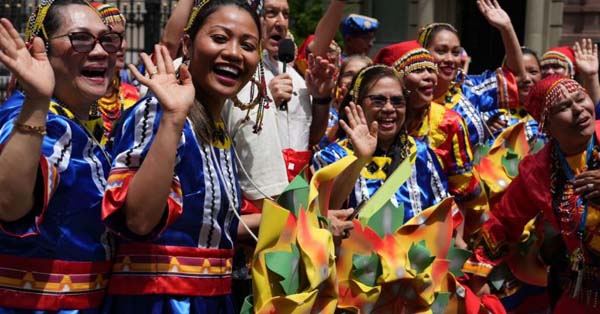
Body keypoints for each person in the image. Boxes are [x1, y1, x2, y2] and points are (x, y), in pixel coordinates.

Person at [101, 0, 261, 312]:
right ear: (187, 44)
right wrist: (173, 118)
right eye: (219, 38)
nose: (233, 53)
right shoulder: (159, 112)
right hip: (157, 302)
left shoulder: (217, 130)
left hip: (213, 302)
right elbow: (139, 220)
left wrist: (303, 224)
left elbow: (206, 229)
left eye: (248, 45)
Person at [0, 0, 120, 311]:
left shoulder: (81, 123)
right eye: (80, 38)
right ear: (42, 49)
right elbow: (8, 204)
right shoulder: (33, 117)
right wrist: (38, 100)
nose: (99, 51)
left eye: (107, 40)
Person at [465, 75, 600, 312]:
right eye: (564, 107)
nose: (579, 110)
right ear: (546, 124)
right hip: (589, 288)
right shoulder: (539, 171)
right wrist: (478, 275)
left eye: (580, 99)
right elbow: (504, 221)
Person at [222, 0, 333, 213]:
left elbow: (312, 138)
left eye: (285, 14)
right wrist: (266, 102)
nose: (280, 23)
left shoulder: (298, 80)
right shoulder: (238, 74)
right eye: (271, 13)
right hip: (253, 199)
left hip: (297, 194)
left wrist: (321, 99)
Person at [374, 40, 487, 241]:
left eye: (431, 69)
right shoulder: (376, 121)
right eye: (418, 70)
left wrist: (455, 241)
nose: (429, 77)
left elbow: (460, 191)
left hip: (435, 232)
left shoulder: (448, 123)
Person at [313, 65, 448, 222]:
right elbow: (322, 217)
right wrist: (360, 159)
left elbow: (442, 218)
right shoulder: (330, 157)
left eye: (398, 101)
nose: (389, 108)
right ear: (358, 103)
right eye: (378, 100)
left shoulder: (421, 154)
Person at [417, 0, 524, 150]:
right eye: (441, 51)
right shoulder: (407, 97)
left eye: (455, 52)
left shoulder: (469, 89)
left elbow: (516, 77)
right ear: (423, 52)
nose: (450, 59)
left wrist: (506, 28)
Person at [90, 2, 139, 144]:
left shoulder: (133, 94)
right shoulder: (80, 99)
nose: (122, 46)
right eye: (110, 38)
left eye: (122, 36)